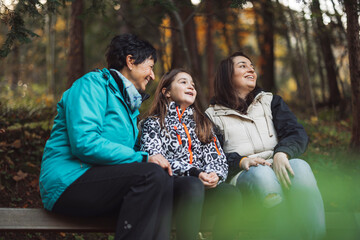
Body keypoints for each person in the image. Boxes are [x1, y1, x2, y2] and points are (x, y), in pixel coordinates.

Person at [39, 33, 173, 240]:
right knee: (151, 174)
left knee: (166, 180)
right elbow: (85, 143)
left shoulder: (127, 105)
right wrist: (143, 158)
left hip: (99, 180)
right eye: (150, 66)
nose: (153, 75)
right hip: (68, 182)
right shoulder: (92, 85)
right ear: (130, 61)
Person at [206, 51, 326, 239]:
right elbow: (212, 156)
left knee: (301, 167)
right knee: (262, 175)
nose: (251, 69)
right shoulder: (212, 115)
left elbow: (296, 133)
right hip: (245, 174)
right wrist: (241, 161)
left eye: (252, 66)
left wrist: (282, 153)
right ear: (227, 75)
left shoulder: (271, 101)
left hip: (278, 164)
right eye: (243, 65)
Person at [140, 69, 242, 240]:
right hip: (170, 191)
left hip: (201, 190)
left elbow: (217, 157)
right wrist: (194, 172)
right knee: (192, 184)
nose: (190, 86)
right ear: (166, 92)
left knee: (230, 194)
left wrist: (214, 175)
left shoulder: (203, 124)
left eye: (193, 84)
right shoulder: (153, 123)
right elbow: (155, 158)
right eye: (183, 82)